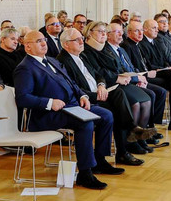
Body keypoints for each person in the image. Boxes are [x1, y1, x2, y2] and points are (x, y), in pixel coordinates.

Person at [13, 31, 120, 189]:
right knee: (85, 123)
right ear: (28, 46)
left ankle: (100, 161)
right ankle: (85, 172)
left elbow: (72, 84)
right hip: (48, 114)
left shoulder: (51, 61)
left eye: (44, 40)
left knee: (106, 115)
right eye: (38, 41)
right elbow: (22, 98)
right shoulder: (25, 68)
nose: (44, 43)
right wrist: (49, 102)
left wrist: (83, 96)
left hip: (71, 106)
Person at [57, 27, 154, 166]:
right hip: (86, 99)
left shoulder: (81, 55)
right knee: (116, 110)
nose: (81, 41)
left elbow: (98, 74)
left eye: (81, 38)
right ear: (66, 44)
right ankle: (123, 147)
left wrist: (101, 85)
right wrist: (95, 93)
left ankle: (124, 145)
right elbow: (73, 88)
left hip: (98, 92)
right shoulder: (62, 61)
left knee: (119, 95)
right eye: (77, 40)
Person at [101, 21, 169, 153]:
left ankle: (140, 137)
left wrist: (138, 77)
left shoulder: (120, 49)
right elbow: (117, 72)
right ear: (108, 35)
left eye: (121, 31)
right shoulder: (106, 50)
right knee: (137, 103)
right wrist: (135, 78)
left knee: (148, 99)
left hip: (131, 81)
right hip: (119, 85)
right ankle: (131, 141)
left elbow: (131, 68)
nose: (121, 34)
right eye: (117, 32)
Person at [122, 20, 171, 131]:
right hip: (144, 75)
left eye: (141, 30)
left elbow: (160, 59)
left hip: (149, 72)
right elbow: (136, 67)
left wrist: (164, 67)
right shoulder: (128, 45)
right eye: (137, 31)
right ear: (129, 32)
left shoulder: (142, 43)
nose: (140, 33)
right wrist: (153, 71)